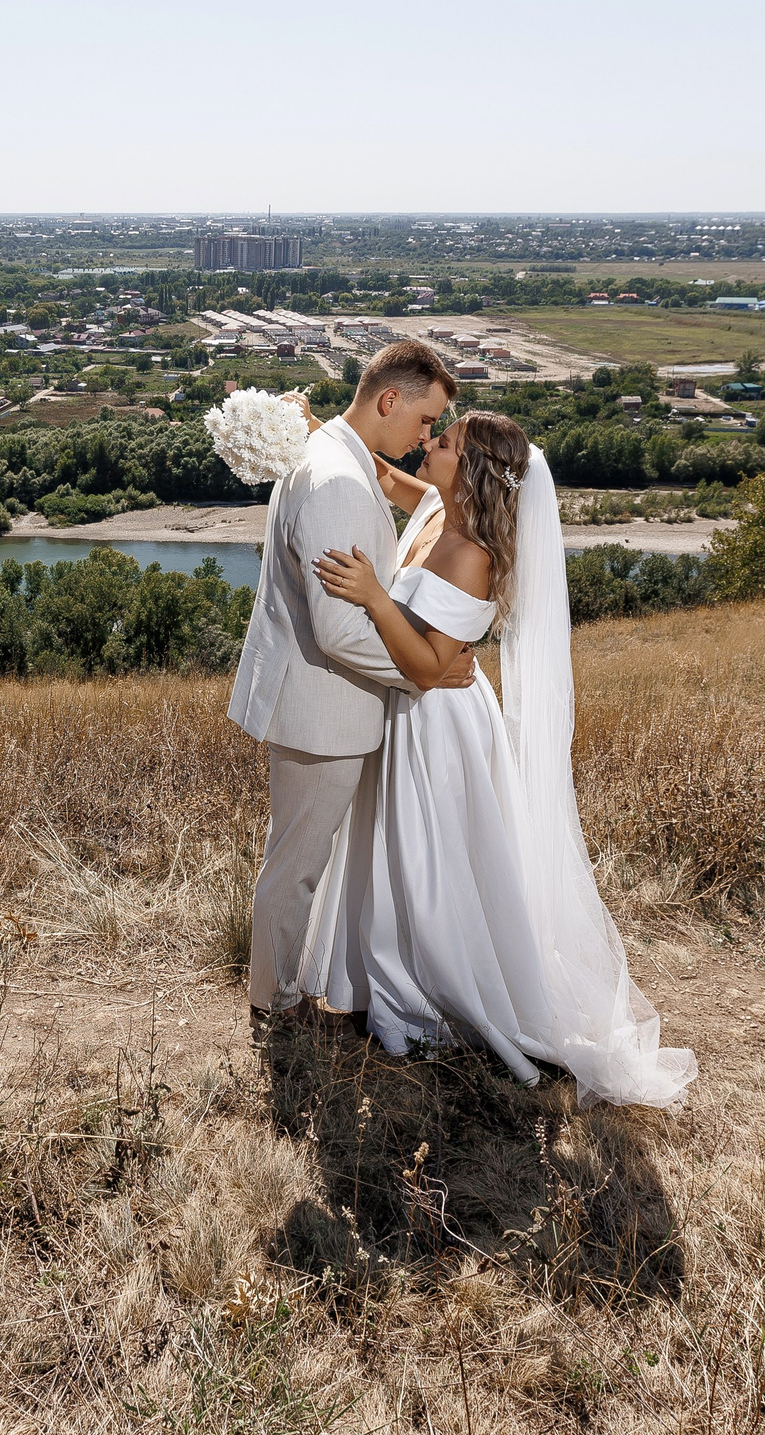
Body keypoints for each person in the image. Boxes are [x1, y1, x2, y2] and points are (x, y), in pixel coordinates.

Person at [303, 408, 694, 1106]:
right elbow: (387, 478)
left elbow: (426, 666)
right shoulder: (432, 504)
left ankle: (434, 989)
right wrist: (316, 431)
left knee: (433, 856)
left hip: (438, 721)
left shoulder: (471, 551)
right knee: (408, 854)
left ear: (475, 471)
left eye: (445, 442)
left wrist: (370, 595)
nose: (430, 442)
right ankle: (389, 973)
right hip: (418, 710)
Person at [225, 341, 475, 1025]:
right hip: (320, 707)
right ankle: (273, 1005)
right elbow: (338, 630)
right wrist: (427, 669)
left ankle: (291, 983)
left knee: (301, 858)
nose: (427, 436)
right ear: (389, 400)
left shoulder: (333, 452)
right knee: (297, 865)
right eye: (426, 419)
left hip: (319, 702)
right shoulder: (337, 478)